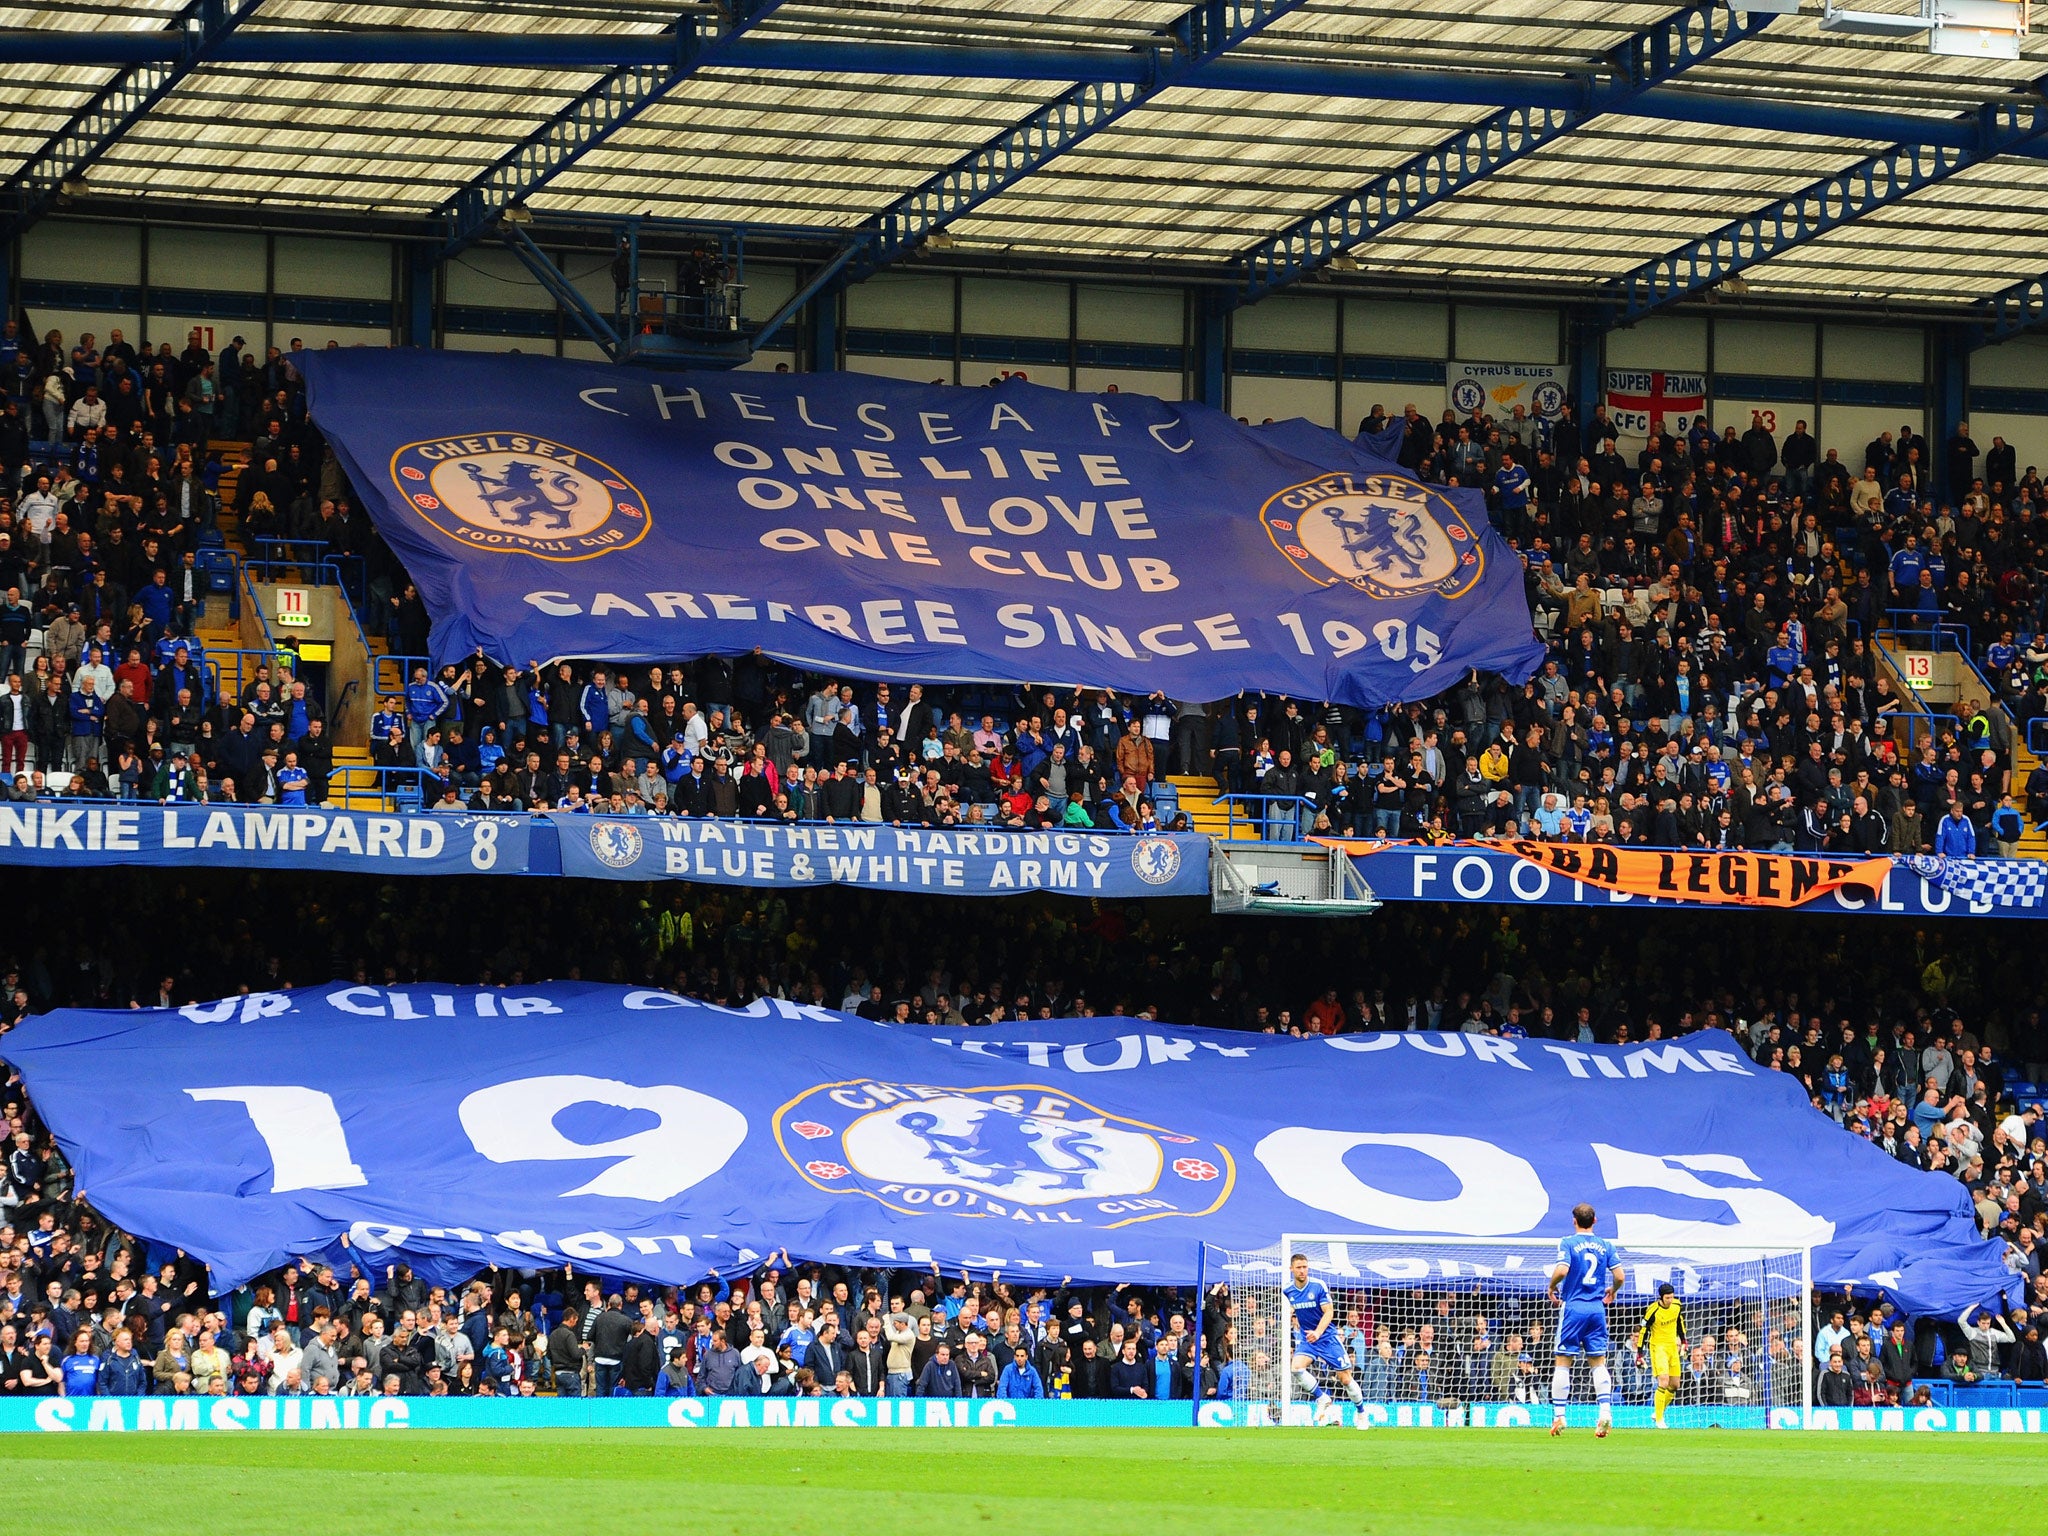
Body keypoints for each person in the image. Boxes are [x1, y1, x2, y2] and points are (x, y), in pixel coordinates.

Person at [1548, 1202, 1623, 1437]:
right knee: (1598, 1362)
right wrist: (1613, 1290)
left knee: (1563, 1361)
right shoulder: (1606, 1245)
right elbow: (1620, 1275)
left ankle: (1560, 1416)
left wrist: (1551, 1287)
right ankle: (1605, 1413)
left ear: (1574, 1221)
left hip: (1573, 1307)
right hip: (1596, 1309)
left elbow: (1562, 1270)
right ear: (1595, 1221)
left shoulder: (1568, 1242)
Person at [1284, 1251, 1360, 1425]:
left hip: (1326, 1337)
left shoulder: (1319, 1286)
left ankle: (1361, 1412)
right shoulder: (1287, 1290)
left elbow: (1329, 1312)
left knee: (1345, 1379)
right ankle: (1322, 1398)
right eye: (1299, 1267)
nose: (1302, 1271)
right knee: (1295, 1368)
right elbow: (1297, 1307)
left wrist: (1318, 1332)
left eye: (1305, 1267)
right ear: (1291, 1269)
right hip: (1307, 1339)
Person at [1630, 1281, 1686, 1429]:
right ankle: (1660, 1420)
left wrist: (1684, 1341)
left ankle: (1658, 1412)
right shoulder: (1652, 1310)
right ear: (1661, 1298)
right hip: (1658, 1348)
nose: (1670, 1300)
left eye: (1672, 1297)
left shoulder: (1677, 1306)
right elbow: (1643, 1331)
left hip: (1672, 1347)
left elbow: (1680, 1323)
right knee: (1663, 1381)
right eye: (1667, 1298)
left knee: (1674, 1385)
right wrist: (1640, 1354)